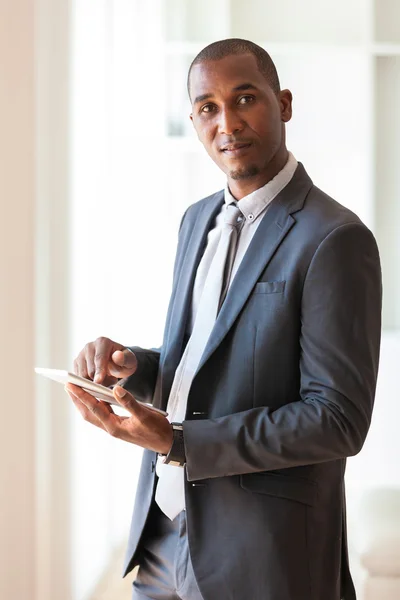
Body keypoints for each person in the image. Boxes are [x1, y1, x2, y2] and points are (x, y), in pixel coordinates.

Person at [66, 39, 382, 600]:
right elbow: (205, 364)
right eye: (208, 107)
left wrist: (181, 439)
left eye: (244, 98)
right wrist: (132, 366)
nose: (227, 122)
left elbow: (337, 420)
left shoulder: (334, 238)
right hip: (164, 538)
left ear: (283, 103)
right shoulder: (196, 221)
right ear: (192, 119)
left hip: (263, 556)